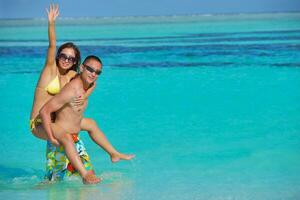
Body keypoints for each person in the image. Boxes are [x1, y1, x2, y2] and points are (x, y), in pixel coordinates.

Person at [30, 4, 134, 181]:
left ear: (75, 62)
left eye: (70, 58)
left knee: (91, 123)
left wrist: (84, 97)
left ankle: (114, 153)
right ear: (58, 57)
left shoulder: (74, 75)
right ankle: (85, 175)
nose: (66, 60)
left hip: (56, 120)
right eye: (63, 56)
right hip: (39, 122)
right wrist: (51, 23)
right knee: (64, 135)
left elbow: (92, 81)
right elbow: (52, 45)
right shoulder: (50, 70)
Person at [40, 55, 103, 184]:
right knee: (54, 184)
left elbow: (94, 84)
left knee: (90, 177)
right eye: (90, 69)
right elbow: (44, 111)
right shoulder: (71, 87)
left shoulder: (86, 84)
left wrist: (85, 96)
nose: (93, 74)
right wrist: (51, 137)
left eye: (98, 72)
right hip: (60, 139)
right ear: (81, 67)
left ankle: (87, 177)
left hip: (75, 139)